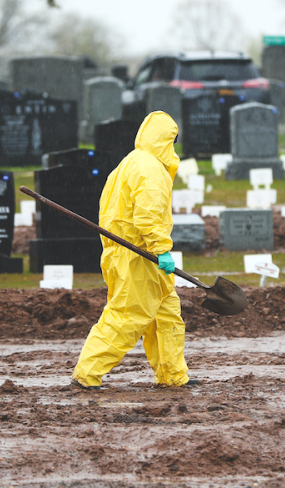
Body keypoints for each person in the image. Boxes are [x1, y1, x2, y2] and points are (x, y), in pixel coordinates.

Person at [71, 111, 198, 389]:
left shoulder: (127, 164)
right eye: (172, 141)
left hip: (131, 256)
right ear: (164, 140)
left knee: (166, 316)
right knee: (126, 317)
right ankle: (87, 373)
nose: (173, 148)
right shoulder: (150, 169)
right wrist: (162, 249)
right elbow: (147, 216)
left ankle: (172, 375)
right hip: (139, 258)